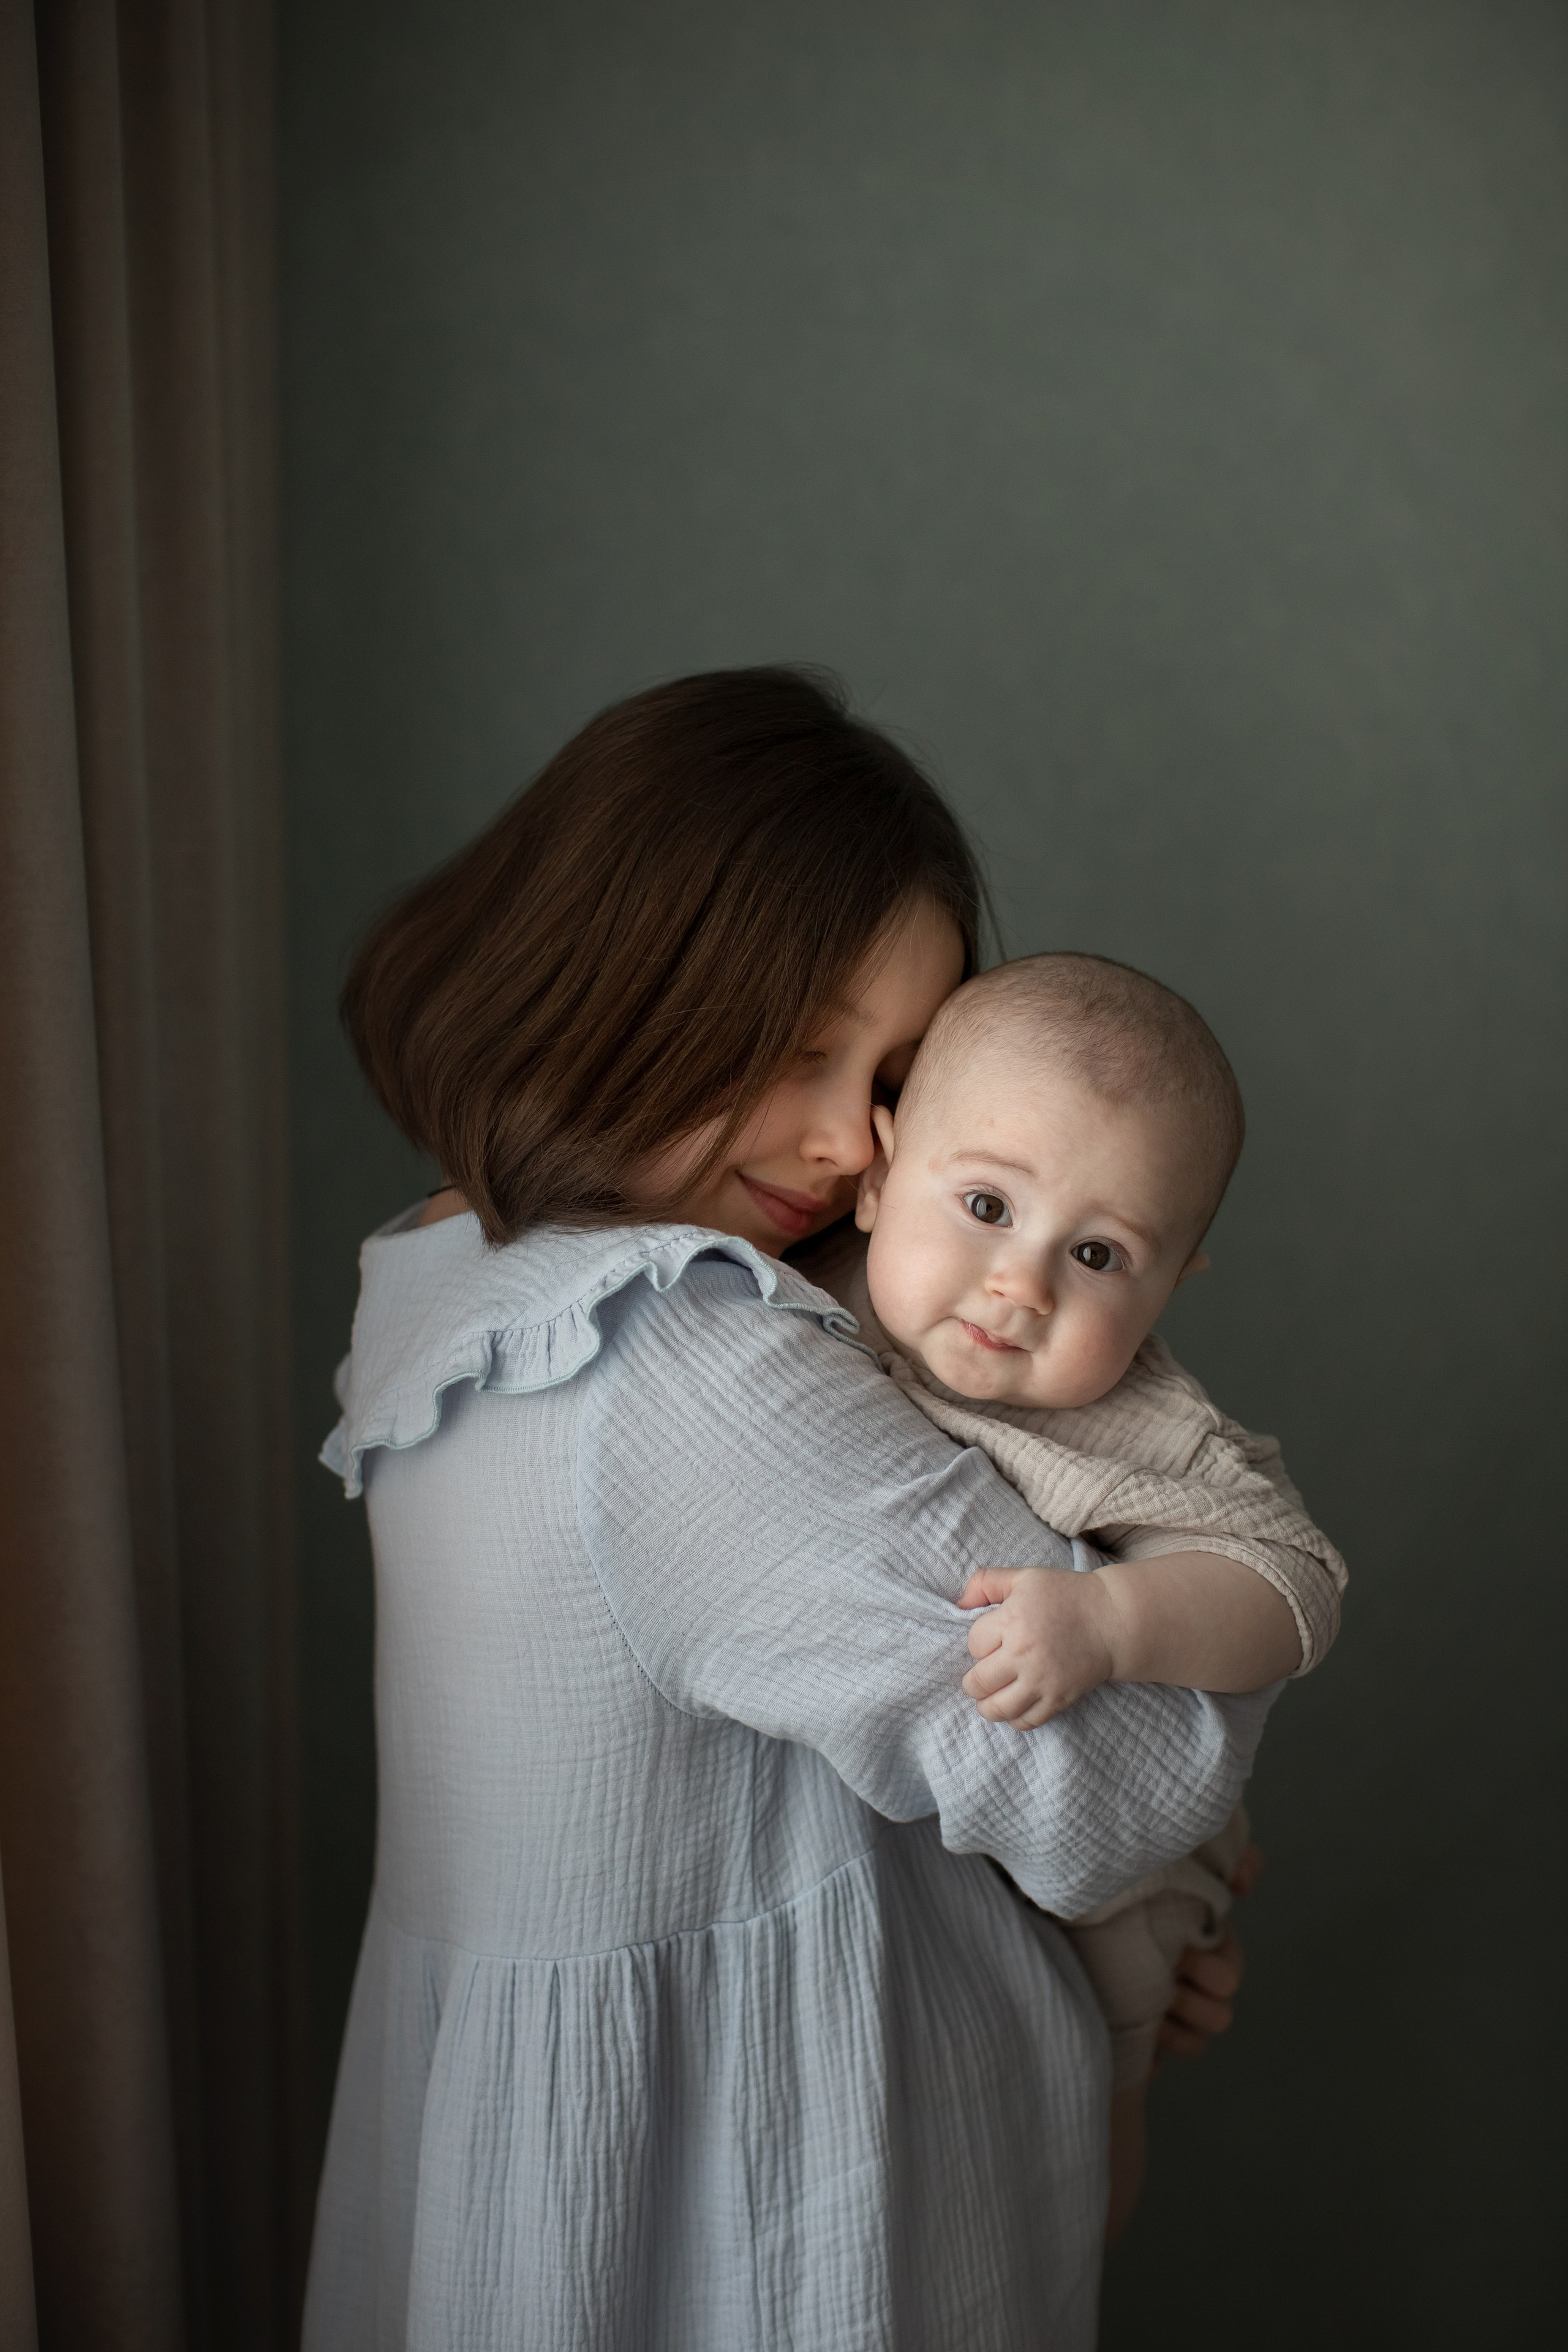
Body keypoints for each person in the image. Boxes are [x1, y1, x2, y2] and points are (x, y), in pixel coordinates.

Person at [301, 668, 1268, 2351]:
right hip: (771, 2226)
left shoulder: (444, 1268)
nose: (847, 1143)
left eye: (894, 1072)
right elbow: (1116, 1786)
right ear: (629, 973)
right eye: (800, 1045)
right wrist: (1165, 1874)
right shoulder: (677, 1363)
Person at [802, 948, 1346, 2232]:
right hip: (900, 1869)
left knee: (1082, 2084)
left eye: (1098, 1254)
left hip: (1125, 1879)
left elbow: (1296, 1588)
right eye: (986, 1207)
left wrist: (1112, 1620)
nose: (1021, 1284)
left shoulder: (1141, 1430)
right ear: (876, 1176)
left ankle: (1080, 2207)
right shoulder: (787, 1302)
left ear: (1168, 1289)